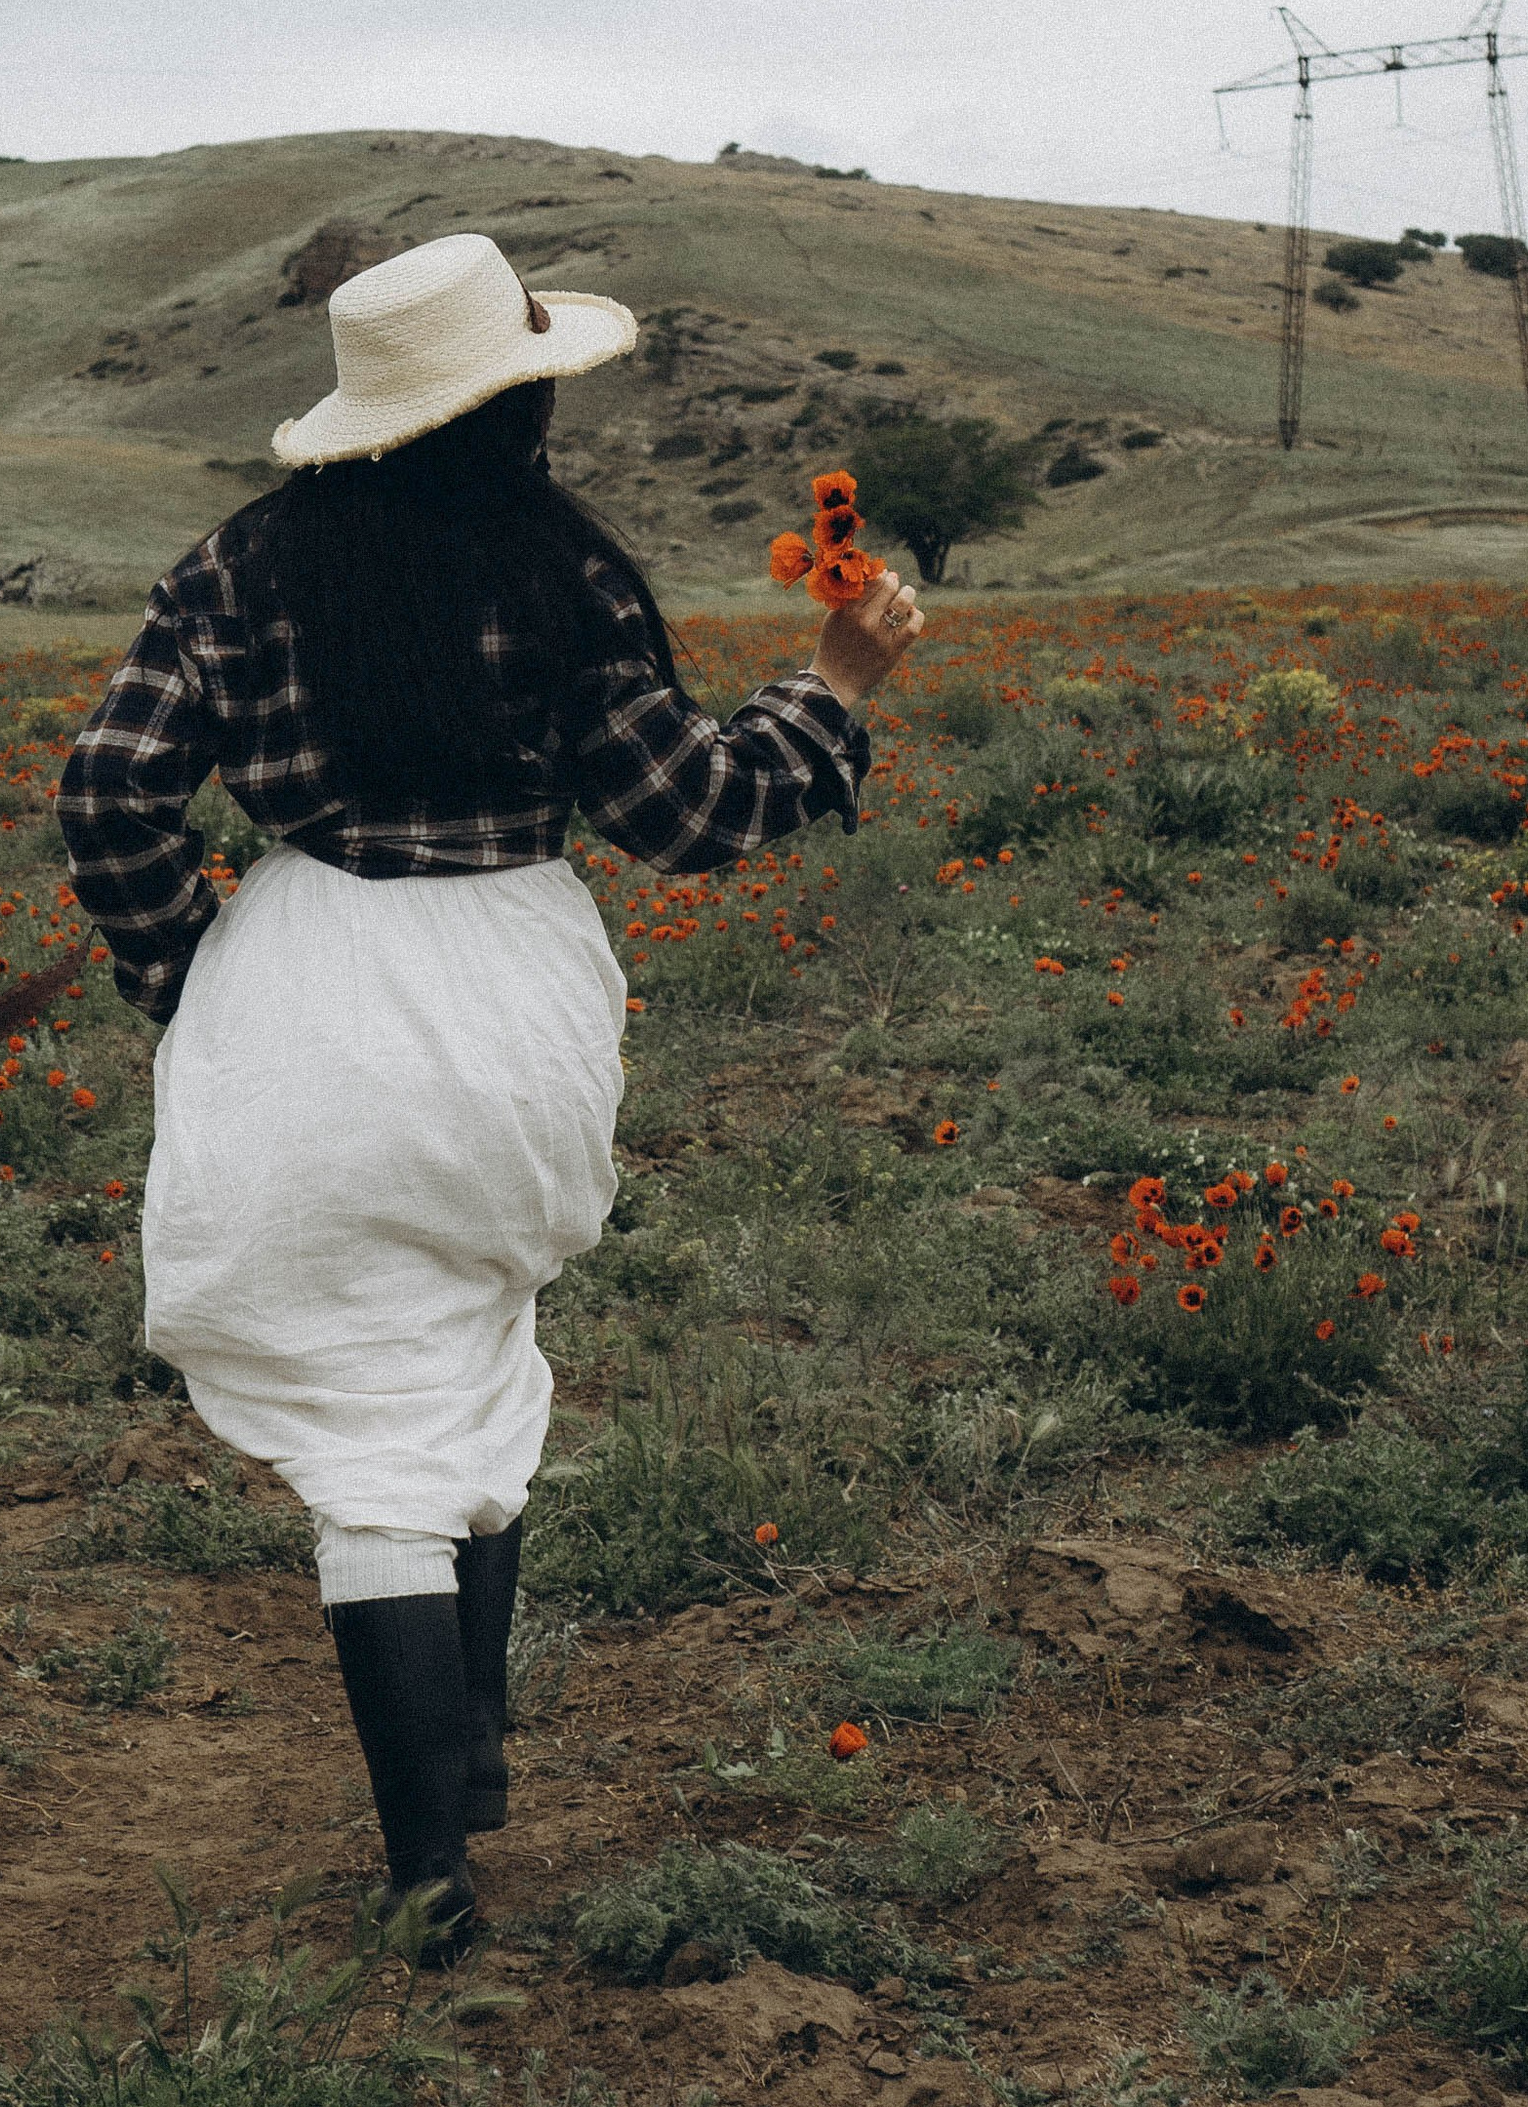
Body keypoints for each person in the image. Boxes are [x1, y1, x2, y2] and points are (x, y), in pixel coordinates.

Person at [56, 230, 923, 1956]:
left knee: (380, 1422)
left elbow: (108, 798)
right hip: (513, 998)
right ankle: (472, 1761)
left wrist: (192, 975)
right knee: (476, 1339)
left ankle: (430, 1865)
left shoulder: (235, 571)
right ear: (517, 404)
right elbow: (692, 813)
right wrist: (836, 688)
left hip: (313, 987)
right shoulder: (561, 574)